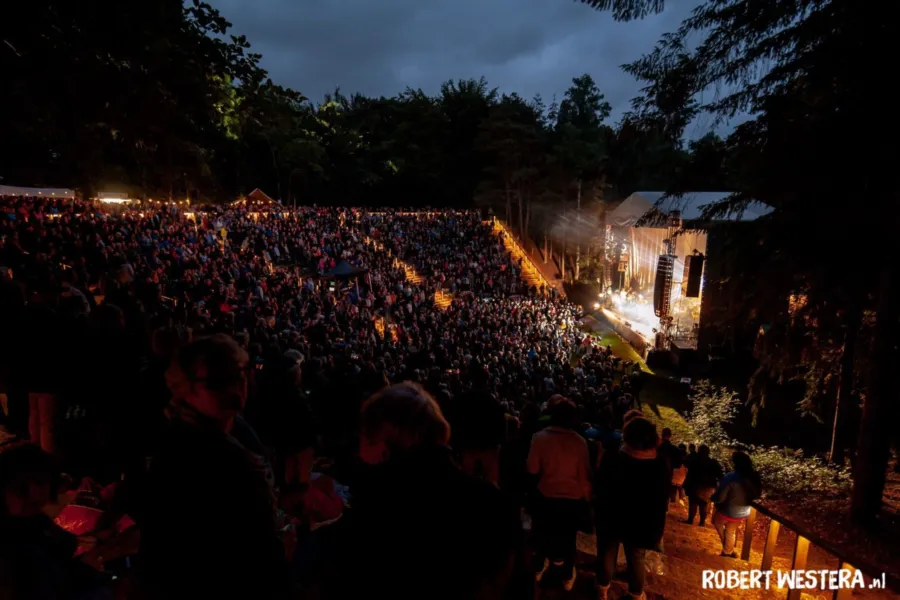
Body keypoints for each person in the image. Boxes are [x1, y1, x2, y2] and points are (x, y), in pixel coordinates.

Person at [135, 334, 290, 600]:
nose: (235, 386)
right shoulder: (191, 453)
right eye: (219, 381)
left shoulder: (234, 430)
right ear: (185, 389)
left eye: (239, 373)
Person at [345, 382, 519, 600]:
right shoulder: (495, 506)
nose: (358, 452)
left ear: (383, 448)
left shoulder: (373, 513)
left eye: (362, 436)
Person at [0, 443, 112, 600]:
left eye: (40, 482)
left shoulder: (36, 522)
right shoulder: (11, 546)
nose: (34, 493)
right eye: (21, 488)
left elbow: (66, 547)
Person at [594, 417, 669, 600]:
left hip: (611, 517)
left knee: (606, 553)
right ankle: (635, 593)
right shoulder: (659, 465)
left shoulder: (613, 457)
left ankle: (602, 587)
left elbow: (600, 486)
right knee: (636, 557)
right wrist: (657, 529)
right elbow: (661, 501)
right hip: (642, 523)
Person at [527, 396, 592, 591]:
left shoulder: (539, 438)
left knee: (542, 534)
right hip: (571, 499)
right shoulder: (580, 443)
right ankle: (567, 574)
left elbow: (532, 469)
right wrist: (586, 499)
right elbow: (584, 475)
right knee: (568, 538)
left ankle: (538, 567)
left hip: (546, 496)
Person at [711, 451, 761, 558]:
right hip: (744, 511)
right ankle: (728, 551)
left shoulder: (730, 477)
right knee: (730, 530)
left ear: (735, 463)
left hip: (728, 510)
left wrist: (713, 499)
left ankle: (727, 549)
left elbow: (720, 497)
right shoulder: (753, 477)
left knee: (717, 522)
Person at [683, 444, 722, 527]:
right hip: (707, 486)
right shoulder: (713, 462)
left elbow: (686, 465)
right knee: (703, 504)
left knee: (693, 502)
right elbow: (720, 474)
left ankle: (690, 519)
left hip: (694, 485)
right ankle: (702, 522)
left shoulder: (694, 460)